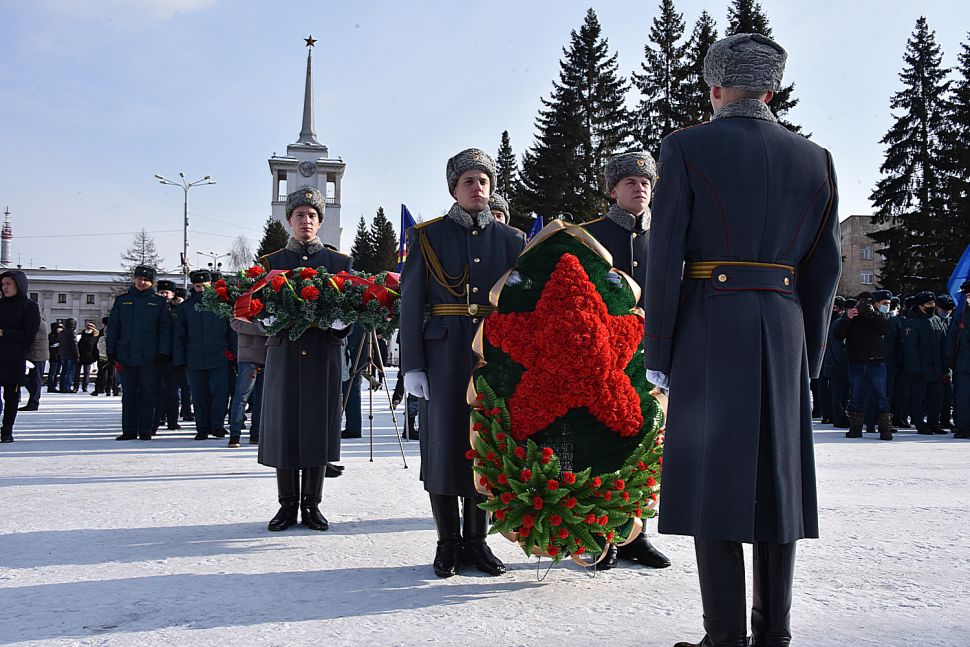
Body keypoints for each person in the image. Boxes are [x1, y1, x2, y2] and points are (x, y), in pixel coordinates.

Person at [643, 34, 841, 647]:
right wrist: (810, 348)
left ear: (716, 89)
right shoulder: (816, 158)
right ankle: (773, 635)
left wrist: (659, 349)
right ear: (772, 90)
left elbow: (666, 252)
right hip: (783, 328)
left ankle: (724, 635)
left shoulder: (684, 147)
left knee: (715, 482)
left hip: (710, 325)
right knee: (778, 486)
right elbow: (826, 267)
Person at [400, 148, 526, 578]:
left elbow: (520, 306)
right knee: (444, 447)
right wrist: (412, 363)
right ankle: (447, 542)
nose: (478, 188)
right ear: (454, 188)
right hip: (442, 355)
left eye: (484, 181)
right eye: (469, 181)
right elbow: (412, 302)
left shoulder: (511, 241)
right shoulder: (427, 236)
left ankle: (478, 542)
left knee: (485, 446)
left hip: (492, 356)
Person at [583, 151, 671, 572]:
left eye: (646, 182)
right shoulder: (591, 236)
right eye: (630, 182)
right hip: (603, 360)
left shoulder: (672, 235)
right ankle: (601, 534)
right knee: (601, 446)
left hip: (653, 358)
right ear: (613, 190)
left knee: (647, 446)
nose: (640, 187)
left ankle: (638, 535)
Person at [258, 186, 353, 532]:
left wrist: (342, 321)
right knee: (285, 428)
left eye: (312, 216)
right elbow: (254, 305)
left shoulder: (338, 263)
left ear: (320, 222)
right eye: (299, 215)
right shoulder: (272, 263)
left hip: (321, 353)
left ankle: (312, 504)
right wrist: (263, 318)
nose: (306, 221)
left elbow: (352, 305)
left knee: (317, 426)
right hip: (284, 354)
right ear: (289, 220)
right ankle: (287, 506)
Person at [107, 265, 171, 440]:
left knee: (148, 395)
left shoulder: (159, 303)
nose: (142, 282)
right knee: (128, 395)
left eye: (146, 280)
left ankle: (145, 430)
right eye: (139, 279)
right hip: (126, 356)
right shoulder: (122, 301)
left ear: (152, 282)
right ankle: (128, 430)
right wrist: (111, 351)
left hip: (150, 358)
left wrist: (163, 352)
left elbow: (165, 330)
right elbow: (113, 328)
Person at [173, 270, 236, 441]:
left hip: (219, 357)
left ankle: (217, 426)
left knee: (220, 394)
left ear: (211, 285)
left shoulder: (222, 305)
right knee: (199, 395)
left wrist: (235, 356)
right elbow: (179, 336)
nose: (201, 289)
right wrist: (179, 360)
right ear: (193, 285)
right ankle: (202, 427)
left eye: (204, 286)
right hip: (195, 359)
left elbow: (232, 333)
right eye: (198, 286)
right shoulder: (185, 308)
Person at [834, 292, 892, 440]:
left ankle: (885, 429)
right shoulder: (851, 317)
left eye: (868, 302)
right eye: (862, 302)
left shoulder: (877, 316)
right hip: (856, 362)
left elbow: (885, 329)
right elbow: (838, 334)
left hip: (876, 361)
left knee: (881, 395)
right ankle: (855, 428)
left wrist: (874, 314)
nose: (865, 305)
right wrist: (847, 318)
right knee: (857, 395)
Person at [0, 270, 42, 443]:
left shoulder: (29, 306)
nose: (5, 287)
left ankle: (7, 430)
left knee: (11, 397)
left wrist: (5, 333)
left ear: (18, 284)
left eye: (8, 283)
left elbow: (29, 334)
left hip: (14, 358)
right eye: (3, 284)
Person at [903, 291, 947, 435]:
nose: (932, 306)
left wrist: (945, 366)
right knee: (918, 398)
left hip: (936, 368)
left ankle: (934, 423)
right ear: (920, 306)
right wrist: (915, 369)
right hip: (921, 368)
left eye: (933, 303)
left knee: (936, 398)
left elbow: (943, 345)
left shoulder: (937, 321)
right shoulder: (913, 323)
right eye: (929, 304)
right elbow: (910, 349)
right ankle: (919, 423)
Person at [228, 318, 267, 447]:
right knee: (241, 397)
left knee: (262, 399)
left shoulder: (272, 301)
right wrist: (261, 327)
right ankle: (235, 434)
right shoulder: (243, 301)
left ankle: (257, 433)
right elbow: (235, 323)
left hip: (267, 355)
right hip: (248, 357)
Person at [153, 280, 181, 432]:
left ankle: (172, 420)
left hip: (174, 356)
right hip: (156, 356)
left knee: (172, 392)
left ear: (173, 294)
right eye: (161, 292)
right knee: (157, 391)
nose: (164, 295)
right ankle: (157, 419)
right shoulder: (153, 308)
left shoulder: (178, 310)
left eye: (167, 292)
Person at [948, 280, 970, 438]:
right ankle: (963, 427)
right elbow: (953, 336)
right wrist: (950, 357)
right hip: (964, 362)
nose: (966, 296)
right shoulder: (961, 312)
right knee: (962, 397)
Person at [19, 310, 49, 412]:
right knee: (33, 379)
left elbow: (29, 335)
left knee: (34, 380)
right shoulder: (39, 319)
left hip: (36, 353)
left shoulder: (35, 320)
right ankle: (33, 400)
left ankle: (34, 401)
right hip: (36, 353)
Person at [57, 318, 79, 393]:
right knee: (70, 371)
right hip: (70, 354)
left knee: (63, 371)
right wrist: (77, 355)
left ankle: (62, 387)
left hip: (63, 354)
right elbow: (74, 344)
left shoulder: (62, 332)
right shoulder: (72, 332)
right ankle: (67, 387)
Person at [76, 321, 99, 392]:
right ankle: (76, 386)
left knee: (87, 373)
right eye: (87, 327)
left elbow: (96, 348)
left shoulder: (95, 337)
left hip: (89, 357)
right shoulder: (81, 335)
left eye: (90, 327)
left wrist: (93, 357)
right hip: (80, 356)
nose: (88, 328)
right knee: (77, 373)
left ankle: (85, 387)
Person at [46, 322, 62, 393]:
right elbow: (53, 344)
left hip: (59, 356)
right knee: (52, 372)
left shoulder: (60, 335)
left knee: (56, 372)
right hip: (53, 356)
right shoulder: (51, 335)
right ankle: (51, 386)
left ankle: (54, 385)